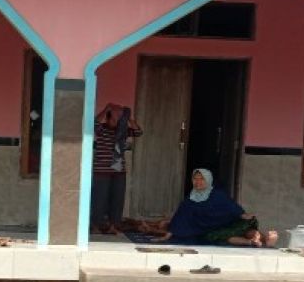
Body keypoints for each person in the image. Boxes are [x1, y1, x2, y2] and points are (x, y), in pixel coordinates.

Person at [152, 168, 278, 247]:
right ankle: (254, 242)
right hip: (213, 230)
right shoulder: (190, 199)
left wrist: (242, 215)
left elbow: (233, 208)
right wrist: (167, 236)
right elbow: (180, 218)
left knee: (246, 229)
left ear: (208, 180)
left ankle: (265, 238)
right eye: (195, 179)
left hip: (231, 222)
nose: (198, 182)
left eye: (202, 179)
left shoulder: (218, 195)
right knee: (223, 237)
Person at [90, 103, 142, 235]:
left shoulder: (123, 131)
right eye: (116, 115)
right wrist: (106, 109)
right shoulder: (102, 129)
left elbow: (138, 131)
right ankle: (96, 225)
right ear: (109, 116)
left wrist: (128, 118)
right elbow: (93, 124)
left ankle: (114, 225)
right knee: (99, 199)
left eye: (120, 115)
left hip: (119, 171)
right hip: (102, 170)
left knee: (117, 200)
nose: (118, 117)